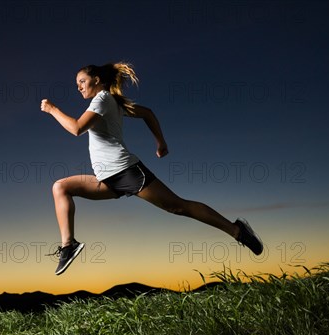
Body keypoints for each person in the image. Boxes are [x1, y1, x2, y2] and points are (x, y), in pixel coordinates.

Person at [41, 62, 263, 275]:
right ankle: (69, 245)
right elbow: (147, 113)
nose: (78, 87)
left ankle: (237, 231)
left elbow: (77, 128)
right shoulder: (111, 102)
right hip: (106, 179)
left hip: (126, 171)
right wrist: (160, 142)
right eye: (77, 83)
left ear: (96, 80)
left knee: (178, 207)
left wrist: (52, 109)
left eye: (82, 81)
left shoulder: (103, 99)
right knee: (60, 187)